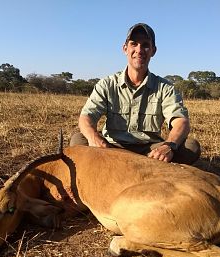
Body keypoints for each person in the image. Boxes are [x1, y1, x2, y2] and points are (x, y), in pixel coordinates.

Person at [70, 23, 200, 164]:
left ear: (153, 51)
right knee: (78, 140)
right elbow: (86, 117)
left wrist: (169, 146)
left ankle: (126, 166)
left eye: (145, 45)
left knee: (190, 146)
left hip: (149, 150)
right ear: (125, 49)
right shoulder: (107, 84)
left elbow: (181, 122)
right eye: (134, 44)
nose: (139, 50)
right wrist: (94, 138)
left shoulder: (165, 87)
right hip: (111, 147)